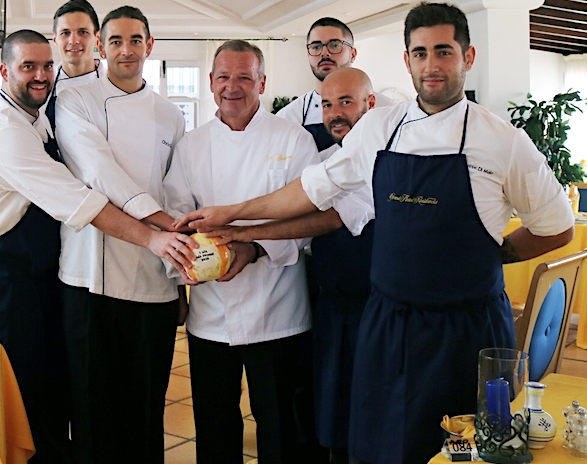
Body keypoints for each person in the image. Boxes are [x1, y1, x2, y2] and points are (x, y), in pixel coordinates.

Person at [175, 4, 575, 463]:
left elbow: (557, 228)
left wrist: (491, 254)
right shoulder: (382, 128)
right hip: (389, 326)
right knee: (382, 447)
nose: (431, 65)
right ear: (407, 60)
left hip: (468, 328)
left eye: (444, 51)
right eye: (420, 53)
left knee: (466, 449)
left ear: (468, 56)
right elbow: (312, 189)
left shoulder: (503, 140)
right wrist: (235, 214)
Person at [0, 29, 196, 464]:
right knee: (20, 409)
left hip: (34, 279)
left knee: (48, 403)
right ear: (5, 72)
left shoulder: (37, 118)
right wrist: (155, 237)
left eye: (46, 66)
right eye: (28, 67)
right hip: (1, 284)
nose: (41, 75)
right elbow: (82, 201)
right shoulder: (4, 132)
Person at [203, 67, 378, 464]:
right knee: (328, 416)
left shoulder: (386, 155)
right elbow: (298, 202)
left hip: (377, 309)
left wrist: (242, 229)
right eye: (327, 105)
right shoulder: (327, 160)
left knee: (371, 417)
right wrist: (242, 232)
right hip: (331, 307)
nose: (335, 114)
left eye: (346, 102)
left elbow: (328, 218)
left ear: (370, 103)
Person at [162, 40, 319, 464]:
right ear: (211, 81)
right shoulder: (192, 145)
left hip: (279, 310)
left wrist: (255, 248)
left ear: (262, 83)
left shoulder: (294, 139)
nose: (232, 87)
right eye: (224, 77)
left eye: (244, 77)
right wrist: (187, 263)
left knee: (280, 429)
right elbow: (176, 215)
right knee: (215, 427)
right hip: (211, 313)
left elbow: (310, 218)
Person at [53, 6, 188, 462]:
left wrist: (178, 269)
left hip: (152, 276)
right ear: (101, 46)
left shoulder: (170, 115)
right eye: (115, 41)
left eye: (135, 41)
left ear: (150, 45)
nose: (126, 50)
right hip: (87, 278)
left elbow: (176, 190)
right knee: (91, 412)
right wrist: (159, 223)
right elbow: (97, 170)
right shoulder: (76, 101)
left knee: (146, 408)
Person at [277, 17, 393, 151]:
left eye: (335, 45)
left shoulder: (388, 111)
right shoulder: (287, 118)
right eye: (316, 47)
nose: (324, 53)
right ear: (308, 55)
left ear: (353, 54)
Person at [44, 0, 104, 130]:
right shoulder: (43, 87)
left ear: (97, 38)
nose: (73, 41)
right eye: (65, 33)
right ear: (55, 39)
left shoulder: (114, 86)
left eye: (83, 32)